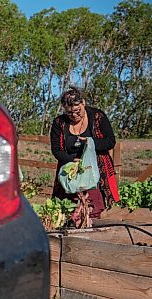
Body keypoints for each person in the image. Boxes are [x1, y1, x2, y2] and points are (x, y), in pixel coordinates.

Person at [50, 86, 120, 218]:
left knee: (94, 208)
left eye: (77, 111)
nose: (74, 115)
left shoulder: (97, 117)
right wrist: (72, 162)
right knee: (68, 211)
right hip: (70, 172)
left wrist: (91, 142)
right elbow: (56, 150)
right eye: (70, 113)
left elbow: (110, 141)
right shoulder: (59, 123)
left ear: (83, 103)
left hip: (94, 170)